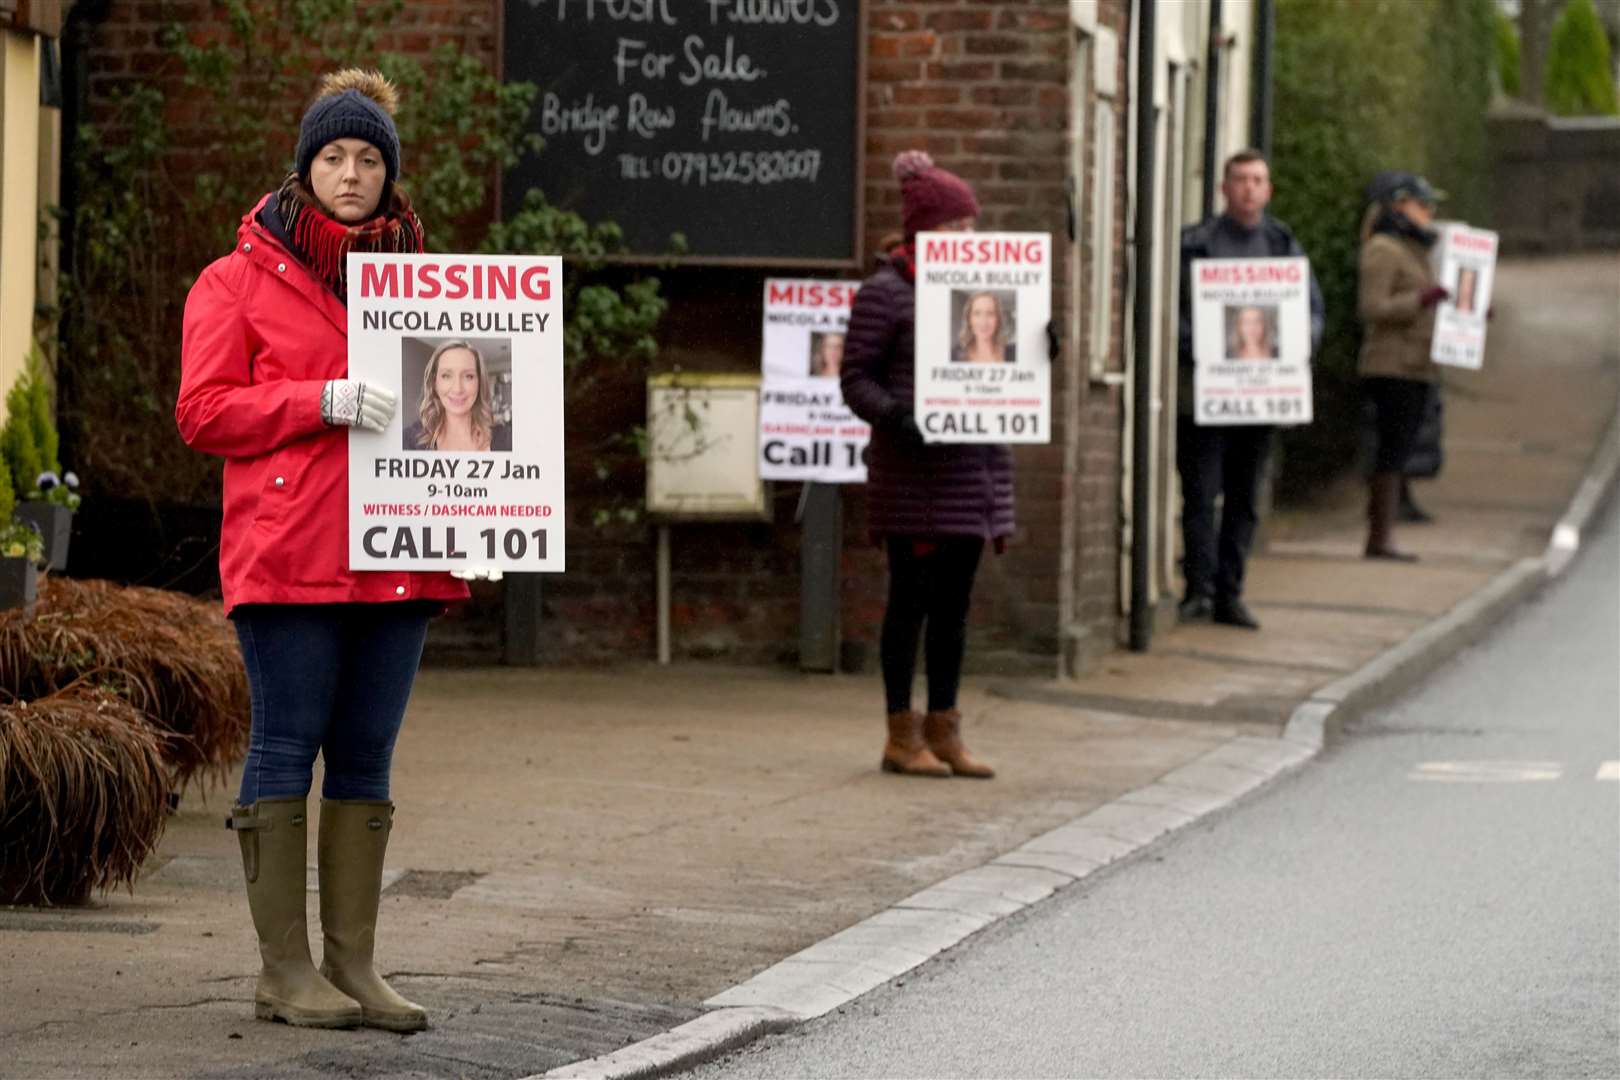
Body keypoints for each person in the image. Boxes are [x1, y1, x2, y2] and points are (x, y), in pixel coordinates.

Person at [176, 69, 469, 1032]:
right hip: (289, 554)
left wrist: (496, 504)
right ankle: (282, 970)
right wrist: (319, 402)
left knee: (367, 756)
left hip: (399, 552)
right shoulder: (234, 280)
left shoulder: (427, 283)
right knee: (287, 744)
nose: (352, 173)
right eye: (334, 156)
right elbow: (204, 412)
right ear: (304, 169)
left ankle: (356, 966)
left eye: (369, 158)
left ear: (391, 174)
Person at [840, 150, 1012, 780]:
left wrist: (1038, 347)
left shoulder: (987, 292)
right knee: (910, 601)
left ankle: (945, 730)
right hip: (914, 474)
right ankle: (899, 735)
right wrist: (896, 417)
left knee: (955, 606)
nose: (968, 240)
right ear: (924, 232)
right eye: (955, 229)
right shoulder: (887, 292)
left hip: (973, 470)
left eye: (972, 227)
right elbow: (855, 378)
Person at [1176, 149, 1324, 629]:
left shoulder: (1282, 244)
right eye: (1240, 179)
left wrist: (1298, 350)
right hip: (1205, 396)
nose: (1249, 189)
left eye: (1258, 180)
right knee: (1200, 494)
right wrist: (1201, 347)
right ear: (1224, 188)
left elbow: (1310, 310)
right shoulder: (1195, 244)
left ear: (1269, 189)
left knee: (1244, 497)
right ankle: (1197, 588)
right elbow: (1171, 311)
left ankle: (1230, 593)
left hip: (1260, 398)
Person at [1357, 171, 1448, 561]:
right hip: (1391, 365)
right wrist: (1421, 299)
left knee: (1401, 448)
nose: (1429, 211)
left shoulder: (1413, 250)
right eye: (1421, 204)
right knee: (1392, 450)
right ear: (1399, 206)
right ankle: (1380, 537)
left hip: (1416, 365)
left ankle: (1384, 533)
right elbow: (1373, 307)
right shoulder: (1383, 249)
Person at [403, 339, 512, 451]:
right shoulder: (409, 440)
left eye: (468, 376)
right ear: (435, 383)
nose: (457, 389)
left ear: (479, 383)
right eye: (446, 376)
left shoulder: (507, 439)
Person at [950, 291, 1017, 364]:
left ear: (998, 320)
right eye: (977, 313)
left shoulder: (1014, 353)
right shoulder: (954, 356)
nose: (983, 321)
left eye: (990, 313)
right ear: (969, 319)